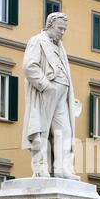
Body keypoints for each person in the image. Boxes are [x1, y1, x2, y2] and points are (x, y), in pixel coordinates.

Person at [21, 12, 80, 179]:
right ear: (50, 26)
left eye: (65, 29)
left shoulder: (61, 47)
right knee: (42, 131)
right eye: (60, 28)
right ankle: (41, 168)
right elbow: (29, 66)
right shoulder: (37, 41)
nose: (63, 32)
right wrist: (46, 86)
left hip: (62, 94)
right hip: (46, 91)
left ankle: (63, 169)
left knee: (64, 130)